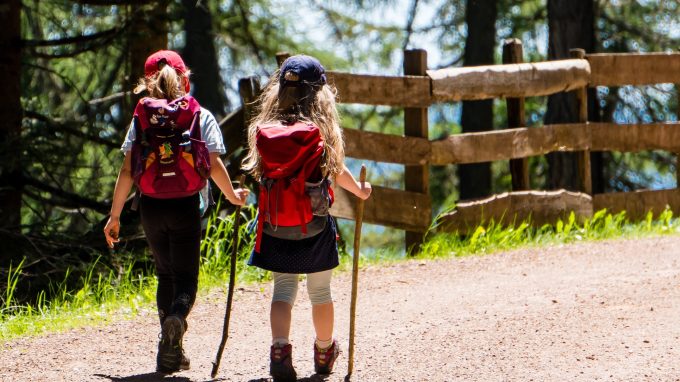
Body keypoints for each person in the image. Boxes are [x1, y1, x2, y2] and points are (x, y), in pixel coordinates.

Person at [103, 50, 249, 374]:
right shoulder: (199, 115)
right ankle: (176, 319)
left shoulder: (140, 119)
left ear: (147, 83)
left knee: (165, 274)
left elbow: (128, 170)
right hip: (186, 205)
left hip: (151, 206)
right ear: (185, 79)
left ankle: (169, 348)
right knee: (186, 279)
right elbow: (212, 164)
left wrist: (114, 217)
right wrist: (233, 196)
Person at [242, 54, 372, 381]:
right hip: (313, 228)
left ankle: (279, 349)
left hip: (273, 228)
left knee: (283, 290)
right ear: (320, 93)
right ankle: (325, 350)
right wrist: (359, 190)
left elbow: (257, 173)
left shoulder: (264, 130)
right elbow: (336, 171)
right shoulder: (319, 131)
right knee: (320, 292)